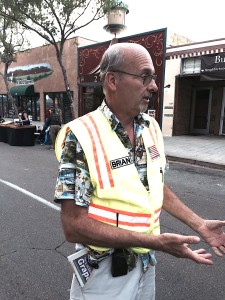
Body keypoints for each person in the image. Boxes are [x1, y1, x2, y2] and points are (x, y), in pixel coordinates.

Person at [54, 43, 225, 300]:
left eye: (153, 78)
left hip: (146, 265)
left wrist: (199, 224)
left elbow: (154, 186)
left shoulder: (151, 128)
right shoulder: (81, 135)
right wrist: (156, 242)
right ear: (112, 80)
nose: (154, 86)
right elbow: (73, 226)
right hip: (105, 272)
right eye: (145, 76)